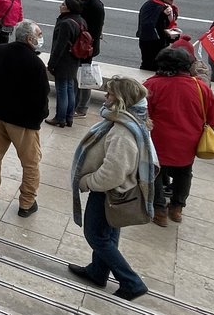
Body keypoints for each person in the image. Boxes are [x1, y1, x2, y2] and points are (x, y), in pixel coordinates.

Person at [69, 76, 155, 301]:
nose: (105, 97)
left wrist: (87, 181)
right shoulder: (131, 120)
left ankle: (131, 282)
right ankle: (98, 272)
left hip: (108, 191)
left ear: (121, 100)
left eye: (109, 94)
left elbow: (112, 174)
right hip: (115, 192)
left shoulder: (122, 132)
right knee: (109, 232)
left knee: (96, 235)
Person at [144, 45, 214, 226]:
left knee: (154, 173)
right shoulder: (201, 87)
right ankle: (177, 208)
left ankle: (159, 210)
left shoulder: (151, 85)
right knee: (184, 173)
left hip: (158, 141)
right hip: (189, 142)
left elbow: (141, 114)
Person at [0, 20, 48, 216]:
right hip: (24, 123)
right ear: (29, 38)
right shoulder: (36, 63)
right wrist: (39, 118)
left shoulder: (0, 51)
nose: (40, 38)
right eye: (39, 34)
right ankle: (26, 203)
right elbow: (41, 99)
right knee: (30, 163)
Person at [46, 0, 88, 128]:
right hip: (75, 60)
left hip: (63, 61)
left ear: (68, 8)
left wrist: (52, 63)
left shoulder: (66, 23)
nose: (60, 5)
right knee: (70, 88)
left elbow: (59, 46)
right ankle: (69, 117)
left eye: (63, 4)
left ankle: (60, 118)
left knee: (62, 90)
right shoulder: (81, 21)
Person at [74, 0, 106, 117]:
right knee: (77, 75)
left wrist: (85, 47)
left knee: (84, 76)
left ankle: (81, 107)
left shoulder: (95, 6)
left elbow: (95, 30)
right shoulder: (83, 2)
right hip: (79, 46)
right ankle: (76, 104)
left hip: (86, 48)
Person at [136, 0, 179, 71]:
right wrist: (162, 15)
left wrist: (171, 32)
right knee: (150, 65)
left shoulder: (166, 7)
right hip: (151, 42)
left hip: (161, 41)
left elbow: (165, 24)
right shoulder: (151, 6)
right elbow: (148, 24)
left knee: (160, 64)